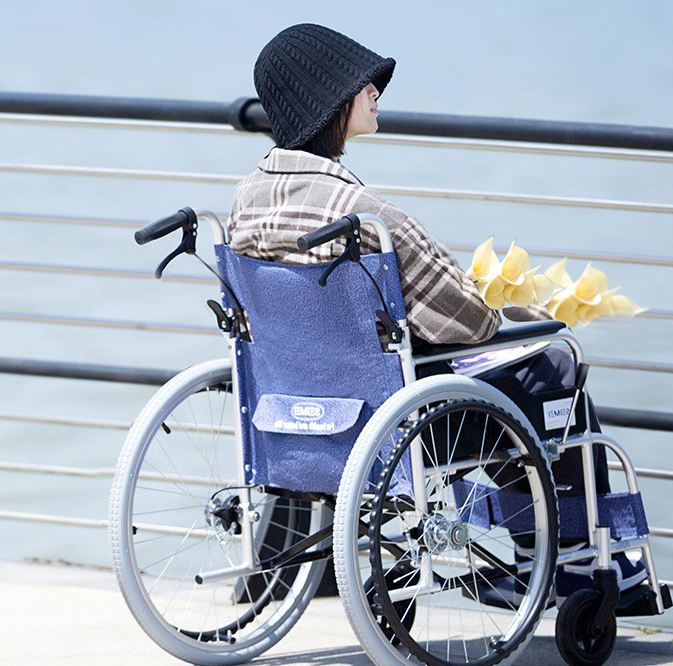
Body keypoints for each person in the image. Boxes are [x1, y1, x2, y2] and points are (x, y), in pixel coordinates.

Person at [230, 23, 646, 601]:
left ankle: (538, 555)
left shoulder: (243, 205)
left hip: (298, 417)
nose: (376, 92)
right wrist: (508, 303)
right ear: (326, 101)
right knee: (550, 367)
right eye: (361, 84)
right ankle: (575, 563)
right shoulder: (368, 217)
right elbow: (470, 324)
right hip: (394, 425)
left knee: (505, 382)